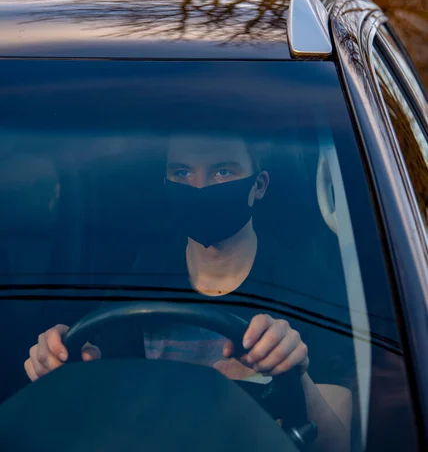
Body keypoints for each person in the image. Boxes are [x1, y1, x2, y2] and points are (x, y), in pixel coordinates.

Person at [24, 134, 352, 452]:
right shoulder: (133, 290)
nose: (199, 188)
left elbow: (336, 444)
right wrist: (63, 368)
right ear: (167, 184)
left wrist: (292, 372)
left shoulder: (312, 294)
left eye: (222, 171)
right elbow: (104, 422)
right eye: (182, 172)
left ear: (259, 186)